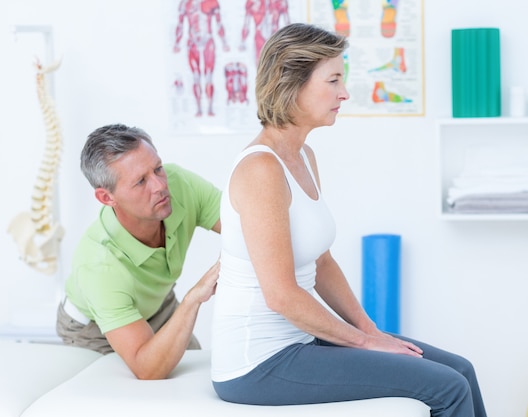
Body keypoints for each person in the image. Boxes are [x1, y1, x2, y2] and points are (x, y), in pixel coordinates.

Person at [211, 23, 488, 417]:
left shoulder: (303, 158)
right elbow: (282, 295)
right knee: (447, 388)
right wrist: (363, 343)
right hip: (258, 363)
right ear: (292, 84)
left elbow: (321, 263)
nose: (344, 93)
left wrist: (370, 330)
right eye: (334, 80)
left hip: (300, 343)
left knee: (459, 369)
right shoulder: (261, 170)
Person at [56, 124, 221, 380]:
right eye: (141, 181)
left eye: (157, 169)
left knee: (195, 375)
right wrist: (193, 298)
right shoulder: (99, 265)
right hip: (94, 329)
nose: (159, 186)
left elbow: (248, 228)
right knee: (140, 395)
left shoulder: (180, 185)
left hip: (157, 304)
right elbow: (148, 370)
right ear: (106, 198)